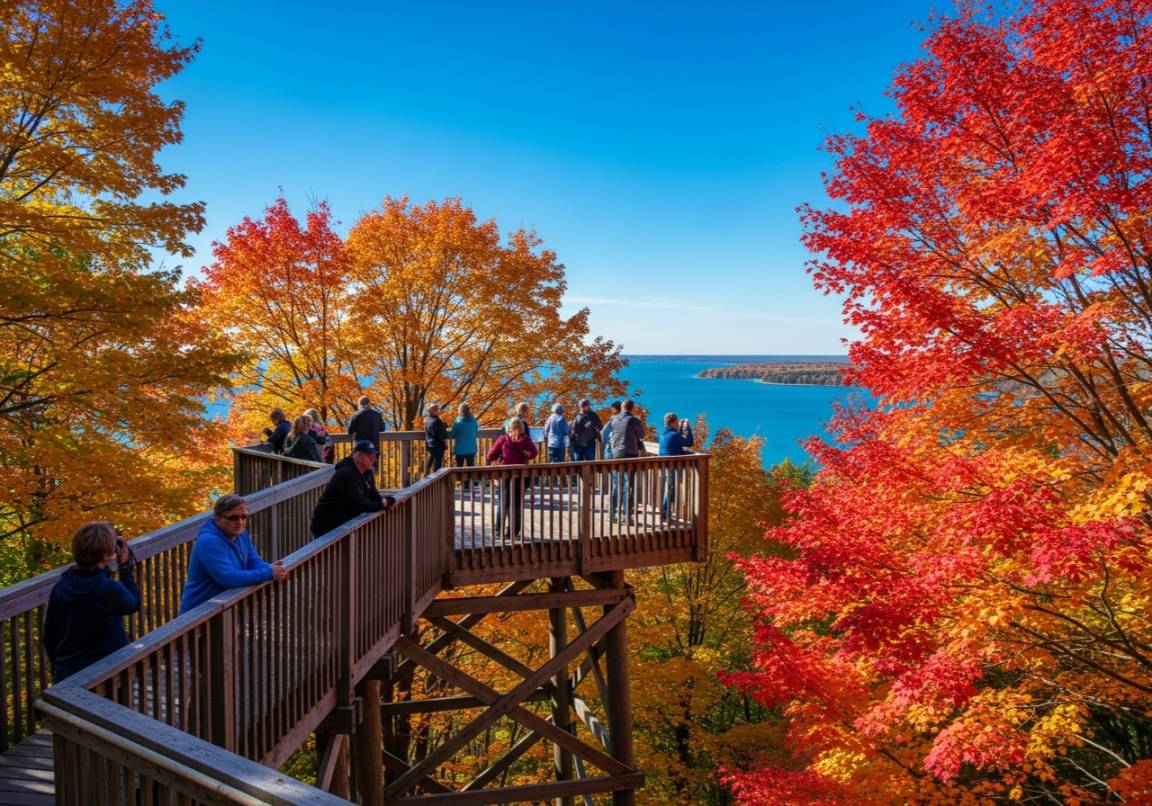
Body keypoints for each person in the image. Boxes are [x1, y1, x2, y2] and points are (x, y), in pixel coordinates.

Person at [43, 522, 141, 684]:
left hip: (67, 675)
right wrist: (124, 567)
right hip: (105, 675)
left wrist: (59, 667)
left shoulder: (61, 586)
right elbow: (133, 604)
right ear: (107, 554)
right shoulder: (108, 589)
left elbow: (49, 636)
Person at [180, 495, 287, 614]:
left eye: (244, 517)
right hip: (197, 616)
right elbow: (228, 578)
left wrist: (271, 568)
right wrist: (268, 572)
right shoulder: (209, 542)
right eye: (233, 517)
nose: (240, 522)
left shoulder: (241, 533)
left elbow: (253, 560)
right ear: (218, 519)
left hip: (223, 609)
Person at [310, 440, 396, 538]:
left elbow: (373, 495)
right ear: (358, 455)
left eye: (374, 455)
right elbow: (359, 504)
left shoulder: (367, 472)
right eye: (369, 455)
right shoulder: (346, 474)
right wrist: (382, 504)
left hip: (344, 524)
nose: (373, 459)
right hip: (328, 526)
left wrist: (387, 502)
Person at [487, 418, 538, 537]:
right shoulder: (526, 440)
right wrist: (525, 452)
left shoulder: (503, 439)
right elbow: (534, 453)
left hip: (505, 475)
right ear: (522, 428)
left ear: (509, 427)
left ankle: (499, 531)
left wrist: (491, 466)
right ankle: (513, 532)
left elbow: (490, 455)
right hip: (520, 475)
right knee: (516, 504)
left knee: (503, 503)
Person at [609, 400, 646, 521]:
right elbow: (641, 435)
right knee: (628, 485)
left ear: (622, 407)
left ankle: (612, 514)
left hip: (616, 455)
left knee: (616, 485)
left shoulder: (614, 419)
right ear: (632, 408)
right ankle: (626, 515)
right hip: (629, 455)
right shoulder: (633, 420)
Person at [658, 412, 695, 519]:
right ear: (673, 422)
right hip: (671, 465)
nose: (678, 423)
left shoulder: (663, 433)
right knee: (670, 489)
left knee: (669, 488)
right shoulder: (674, 435)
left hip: (663, 463)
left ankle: (666, 512)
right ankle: (664, 513)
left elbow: (675, 439)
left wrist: (679, 430)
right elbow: (689, 442)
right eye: (677, 421)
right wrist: (688, 427)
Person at [449, 403, 480, 471]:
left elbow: (453, 433)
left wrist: (445, 433)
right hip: (471, 448)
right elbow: (476, 430)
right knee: (471, 468)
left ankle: (462, 481)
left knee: (459, 469)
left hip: (460, 449)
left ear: (460, 410)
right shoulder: (473, 419)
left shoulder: (458, 421)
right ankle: (470, 481)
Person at [424, 405, 449, 475]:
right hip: (438, 444)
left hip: (430, 444)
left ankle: (427, 475)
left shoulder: (427, 420)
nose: (438, 411)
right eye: (437, 410)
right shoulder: (437, 421)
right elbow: (442, 433)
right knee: (438, 463)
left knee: (431, 460)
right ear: (434, 411)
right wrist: (444, 438)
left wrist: (443, 424)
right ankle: (436, 478)